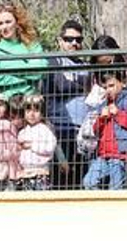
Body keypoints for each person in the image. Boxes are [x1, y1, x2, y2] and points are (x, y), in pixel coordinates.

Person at [41, 20, 91, 181]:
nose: (74, 43)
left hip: (83, 133)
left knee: (81, 180)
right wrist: (83, 85)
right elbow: (59, 85)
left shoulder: (85, 65)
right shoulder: (53, 61)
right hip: (60, 129)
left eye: (78, 40)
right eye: (69, 39)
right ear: (60, 41)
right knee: (61, 181)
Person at [82, 68, 127, 189]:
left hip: (120, 154)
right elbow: (95, 130)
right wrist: (102, 119)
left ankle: (116, 207)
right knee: (89, 182)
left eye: (111, 85)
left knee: (116, 188)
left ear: (122, 82)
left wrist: (118, 114)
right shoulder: (103, 104)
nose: (108, 90)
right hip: (103, 154)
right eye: (105, 87)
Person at [0, 2, 44, 97]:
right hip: (3, 102)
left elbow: (39, 72)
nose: (5, 27)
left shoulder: (32, 46)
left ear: (17, 22)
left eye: (8, 22)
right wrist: (26, 70)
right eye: (0, 24)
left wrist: (5, 67)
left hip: (28, 101)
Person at [14, 93, 57, 189]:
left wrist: (32, 146)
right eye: (28, 110)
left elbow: (50, 147)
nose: (32, 114)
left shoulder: (44, 129)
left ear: (42, 113)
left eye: (36, 110)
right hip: (25, 173)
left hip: (40, 172)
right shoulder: (22, 131)